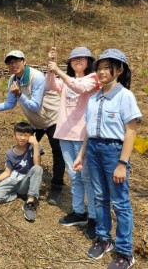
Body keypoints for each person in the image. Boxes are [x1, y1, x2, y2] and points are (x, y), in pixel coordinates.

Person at [73, 49, 141, 269]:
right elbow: (88, 131)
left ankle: (125, 252)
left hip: (114, 151)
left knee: (120, 203)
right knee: (100, 197)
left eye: (107, 67)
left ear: (119, 70)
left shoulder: (125, 96)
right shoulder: (94, 98)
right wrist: (81, 155)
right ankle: (103, 239)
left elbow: (131, 131)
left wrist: (122, 163)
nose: (101, 72)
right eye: (99, 68)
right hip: (93, 149)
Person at [0, 50, 65, 206]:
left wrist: (19, 94)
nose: (14, 65)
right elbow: (10, 104)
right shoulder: (13, 80)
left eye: (17, 61)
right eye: (10, 63)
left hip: (54, 118)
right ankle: (25, 180)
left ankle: (56, 187)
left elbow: (34, 105)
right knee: (25, 146)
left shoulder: (37, 77)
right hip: (36, 122)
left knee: (58, 152)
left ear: (24, 61)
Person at [46, 47, 100, 239]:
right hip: (64, 134)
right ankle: (79, 212)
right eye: (73, 58)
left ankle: (94, 217)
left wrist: (58, 70)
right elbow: (52, 85)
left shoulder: (94, 78)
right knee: (73, 176)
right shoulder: (66, 81)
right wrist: (50, 65)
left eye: (81, 58)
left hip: (83, 136)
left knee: (87, 178)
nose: (77, 60)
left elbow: (80, 88)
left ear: (89, 60)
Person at [0, 122, 43, 222]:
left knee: (38, 168)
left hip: (25, 182)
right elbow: (7, 172)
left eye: (26, 135)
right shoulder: (10, 153)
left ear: (30, 136)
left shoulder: (33, 147)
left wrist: (35, 144)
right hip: (13, 180)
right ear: (14, 135)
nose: (22, 138)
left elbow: (37, 164)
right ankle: (16, 194)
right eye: (20, 134)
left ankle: (30, 203)